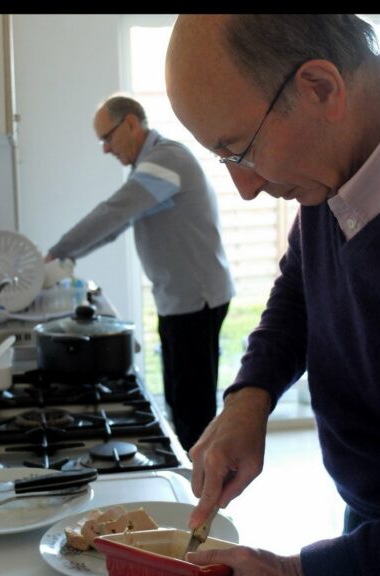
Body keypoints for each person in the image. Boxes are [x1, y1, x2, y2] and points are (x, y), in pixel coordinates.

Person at [162, 14, 380, 576]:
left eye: (241, 148)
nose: (244, 187)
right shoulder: (338, 158)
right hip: (370, 536)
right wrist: (250, 397)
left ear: (321, 87)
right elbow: (301, 283)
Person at [44, 94, 236, 452]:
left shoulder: (166, 160)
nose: (105, 149)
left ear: (131, 123)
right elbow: (116, 225)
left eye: (107, 137)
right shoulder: (151, 166)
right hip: (183, 299)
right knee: (182, 402)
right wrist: (65, 258)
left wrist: (59, 252)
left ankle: (200, 491)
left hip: (197, 300)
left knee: (192, 407)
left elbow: (112, 213)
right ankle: (193, 482)